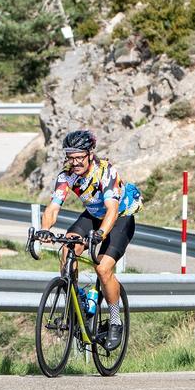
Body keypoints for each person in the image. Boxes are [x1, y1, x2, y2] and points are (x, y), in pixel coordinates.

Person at [37, 130, 143, 350]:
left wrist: (101, 235)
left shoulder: (106, 172)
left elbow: (112, 210)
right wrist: (45, 230)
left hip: (119, 218)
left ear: (90, 154)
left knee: (103, 269)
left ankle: (115, 321)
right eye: (70, 157)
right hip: (92, 216)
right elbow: (53, 207)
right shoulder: (66, 176)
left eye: (79, 157)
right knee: (67, 250)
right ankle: (80, 303)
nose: (74, 162)